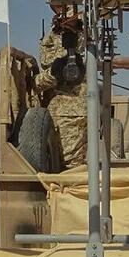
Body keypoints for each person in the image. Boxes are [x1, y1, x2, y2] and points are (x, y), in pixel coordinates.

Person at [35, 15, 87, 169]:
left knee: (71, 165)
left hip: (73, 110)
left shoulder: (84, 39)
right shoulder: (51, 40)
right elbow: (40, 80)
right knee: (66, 163)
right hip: (64, 110)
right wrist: (52, 74)